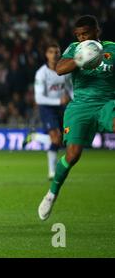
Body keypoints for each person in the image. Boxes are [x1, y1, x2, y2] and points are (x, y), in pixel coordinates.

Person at [38, 15, 115, 221]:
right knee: (72, 155)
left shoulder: (112, 49)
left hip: (108, 103)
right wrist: (81, 59)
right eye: (78, 35)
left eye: (85, 34)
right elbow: (60, 69)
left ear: (96, 32)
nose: (81, 38)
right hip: (81, 106)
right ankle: (52, 193)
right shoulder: (74, 49)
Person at [23, 42, 72, 180]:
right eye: (51, 52)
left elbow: (70, 89)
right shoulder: (41, 73)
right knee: (56, 138)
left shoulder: (65, 71)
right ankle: (51, 172)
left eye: (57, 52)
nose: (54, 55)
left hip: (62, 107)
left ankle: (35, 137)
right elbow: (38, 98)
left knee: (59, 140)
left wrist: (76, 101)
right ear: (46, 54)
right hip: (47, 107)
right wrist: (59, 101)